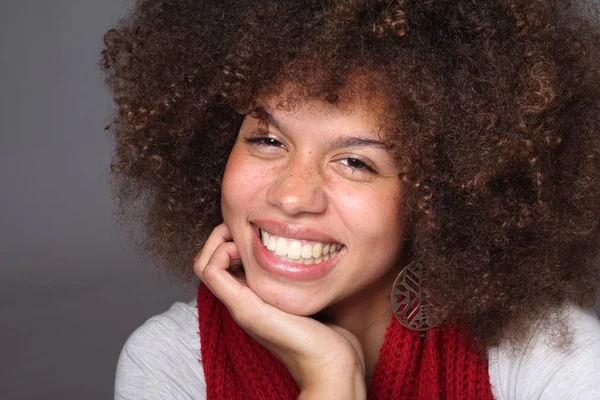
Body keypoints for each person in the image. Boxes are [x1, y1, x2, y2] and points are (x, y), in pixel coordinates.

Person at [103, 0, 600, 398]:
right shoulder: (171, 361)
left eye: (356, 163)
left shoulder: (557, 360)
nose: (293, 195)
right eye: (268, 140)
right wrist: (330, 378)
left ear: (444, 198)